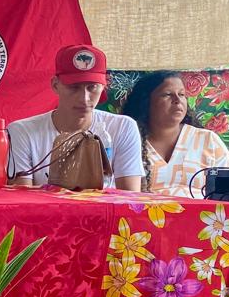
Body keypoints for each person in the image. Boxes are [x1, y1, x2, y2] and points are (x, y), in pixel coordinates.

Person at [8, 44, 143, 191]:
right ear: (55, 85)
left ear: (104, 85)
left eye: (92, 87)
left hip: (104, 213)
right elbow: (22, 199)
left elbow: (130, 198)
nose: (84, 98)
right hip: (46, 214)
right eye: (73, 87)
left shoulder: (123, 127)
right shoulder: (22, 131)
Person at [120, 71, 229, 197]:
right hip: (146, 215)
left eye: (181, 94)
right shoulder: (128, 141)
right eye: (167, 94)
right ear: (146, 102)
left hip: (204, 215)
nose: (177, 100)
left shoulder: (208, 140)